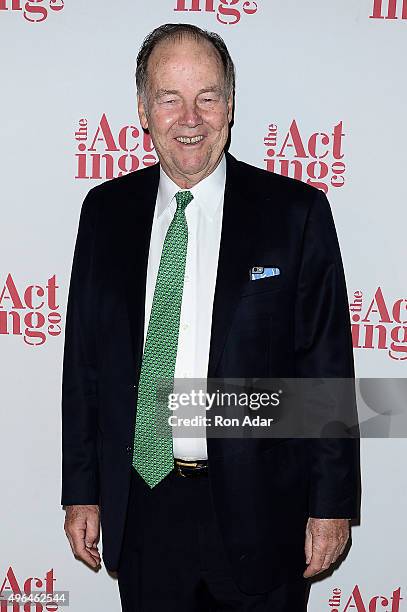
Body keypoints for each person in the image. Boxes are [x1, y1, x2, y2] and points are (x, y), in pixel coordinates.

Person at [61, 23, 360, 611]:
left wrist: (330, 504)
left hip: (263, 513)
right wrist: (82, 491)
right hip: (143, 509)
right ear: (143, 110)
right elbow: (85, 363)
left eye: (208, 96)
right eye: (169, 98)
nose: (189, 116)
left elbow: (325, 367)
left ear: (231, 105)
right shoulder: (105, 212)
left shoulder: (294, 213)